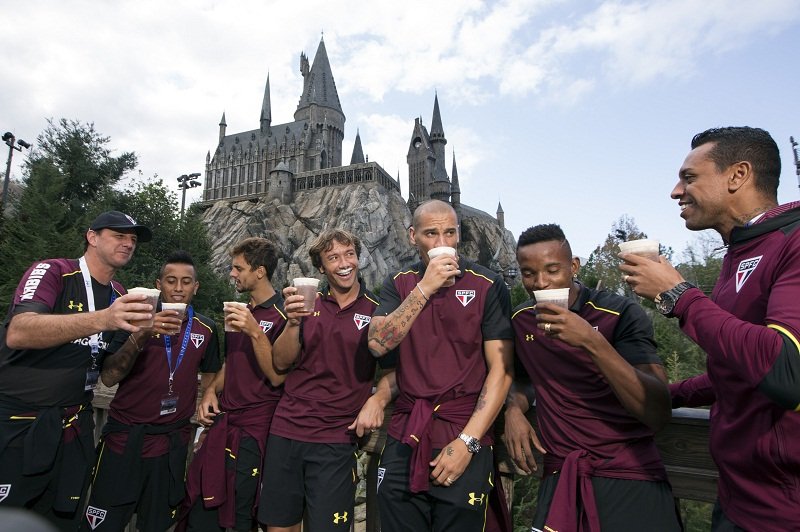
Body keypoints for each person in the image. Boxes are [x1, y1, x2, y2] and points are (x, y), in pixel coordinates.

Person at [621, 126, 800, 531]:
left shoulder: (793, 243)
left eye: (689, 177)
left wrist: (678, 295)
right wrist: (652, 395)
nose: (675, 191)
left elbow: (789, 371)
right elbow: (734, 373)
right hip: (737, 499)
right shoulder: (739, 253)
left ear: (738, 175)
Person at [506, 223, 680, 532]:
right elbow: (521, 379)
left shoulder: (617, 312)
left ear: (573, 267)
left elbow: (657, 410)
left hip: (627, 474)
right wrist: (513, 408)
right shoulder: (521, 320)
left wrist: (590, 340)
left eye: (552, 270)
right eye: (528, 273)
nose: (540, 283)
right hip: (560, 474)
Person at [0, 210, 154, 531]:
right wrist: (104, 319)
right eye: (119, 235)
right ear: (92, 237)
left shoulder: (120, 295)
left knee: (60, 522)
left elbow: (110, 374)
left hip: (74, 427)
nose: (128, 243)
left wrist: (140, 338)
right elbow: (19, 331)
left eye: (133, 239)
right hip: (19, 424)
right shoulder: (53, 271)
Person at [368, 199, 514, 532]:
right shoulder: (400, 283)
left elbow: (501, 372)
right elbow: (377, 344)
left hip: (463, 434)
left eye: (450, 232)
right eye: (431, 233)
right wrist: (426, 288)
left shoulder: (488, 284)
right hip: (406, 433)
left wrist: (469, 443)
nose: (442, 243)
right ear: (412, 236)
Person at [80, 250, 222, 531]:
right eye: (171, 280)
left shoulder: (207, 328)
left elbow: (212, 374)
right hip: (123, 440)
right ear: (159, 284)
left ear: (196, 286)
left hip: (170, 446)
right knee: (102, 524)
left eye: (185, 281)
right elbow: (109, 377)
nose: (178, 289)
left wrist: (208, 396)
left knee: (157, 525)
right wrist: (143, 333)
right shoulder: (132, 319)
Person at [259, 228, 385, 532]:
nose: (344, 263)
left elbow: (395, 370)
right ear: (321, 268)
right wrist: (292, 323)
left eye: (349, 254)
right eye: (333, 257)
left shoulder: (377, 309)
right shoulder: (307, 303)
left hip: (336, 439)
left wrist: (377, 399)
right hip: (287, 430)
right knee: (280, 526)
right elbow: (280, 362)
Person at [177, 237, 287, 532]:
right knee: (201, 510)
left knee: (238, 517)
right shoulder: (242, 309)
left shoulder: (284, 315)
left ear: (260, 271)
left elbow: (278, 375)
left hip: (255, 433)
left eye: (238, 268)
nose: (232, 273)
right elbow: (232, 361)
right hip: (224, 424)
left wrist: (254, 331)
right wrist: (211, 391)